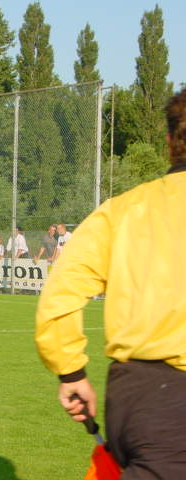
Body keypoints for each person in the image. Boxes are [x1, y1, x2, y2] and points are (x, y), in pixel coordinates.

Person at [35, 88, 186, 478]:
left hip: (146, 399)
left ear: (170, 142)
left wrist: (70, 372)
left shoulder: (124, 211)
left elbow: (61, 294)